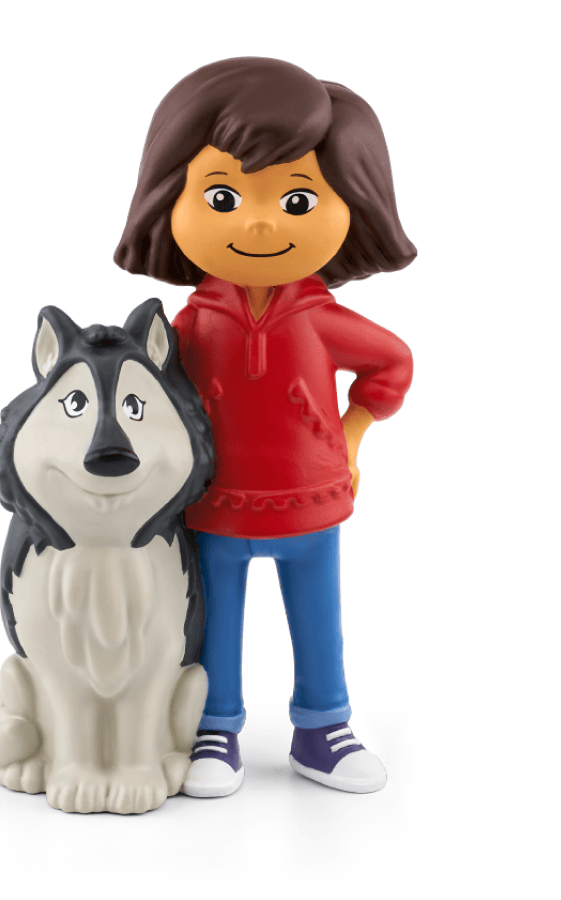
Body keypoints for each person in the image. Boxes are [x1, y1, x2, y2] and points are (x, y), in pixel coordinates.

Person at [115, 57, 416, 795]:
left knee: (318, 618)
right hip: (213, 504)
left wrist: (351, 434)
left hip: (311, 500)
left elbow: (393, 364)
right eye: (221, 196)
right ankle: (215, 727)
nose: (258, 221)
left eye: (297, 199)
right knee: (213, 620)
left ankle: (324, 726)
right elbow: (146, 390)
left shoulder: (322, 319)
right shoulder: (190, 325)